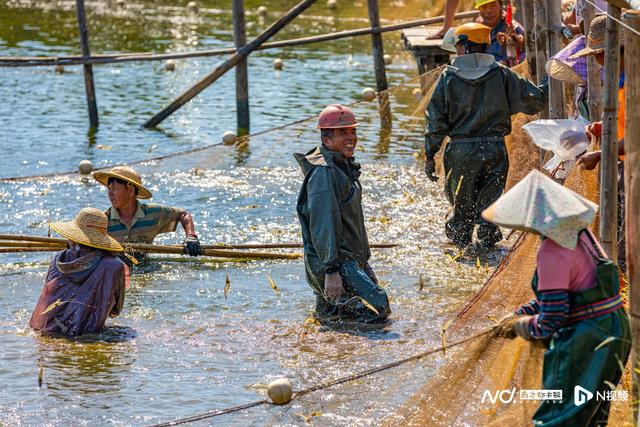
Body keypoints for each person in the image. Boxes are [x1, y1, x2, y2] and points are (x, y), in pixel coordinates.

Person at [489, 170, 630, 426]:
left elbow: (552, 319)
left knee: (559, 420)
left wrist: (519, 327)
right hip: (616, 330)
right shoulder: (582, 234)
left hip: (588, 342)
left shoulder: (552, 250)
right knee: (593, 420)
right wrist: (520, 313)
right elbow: (569, 295)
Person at [426, 22, 546, 249]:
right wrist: (549, 79)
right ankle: (490, 254)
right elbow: (535, 100)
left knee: (461, 210)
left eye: (459, 45)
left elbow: (435, 121)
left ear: (466, 47)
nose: (457, 50)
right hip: (495, 151)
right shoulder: (502, 74)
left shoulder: (448, 78)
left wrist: (429, 155)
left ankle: (461, 258)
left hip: (460, 152)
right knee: (490, 210)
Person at [294, 104, 391, 324]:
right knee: (379, 308)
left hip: (346, 261)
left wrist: (364, 264)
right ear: (326, 140)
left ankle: (330, 347)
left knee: (330, 316)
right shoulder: (324, 174)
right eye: (342, 132)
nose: (351, 137)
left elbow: (353, 222)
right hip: (335, 263)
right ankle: (343, 351)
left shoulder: (342, 167)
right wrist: (330, 271)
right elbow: (323, 225)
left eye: (353, 131)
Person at [571, 14, 626, 269]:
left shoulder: (634, 81)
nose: (596, 59)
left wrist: (602, 154)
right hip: (628, 165)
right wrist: (601, 128)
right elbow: (627, 124)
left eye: (599, 53)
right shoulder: (620, 82)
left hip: (632, 163)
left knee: (628, 242)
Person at [29, 208, 128, 337]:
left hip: (47, 333)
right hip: (87, 337)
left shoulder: (58, 260)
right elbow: (115, 312)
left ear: (74, 237)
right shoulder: (114, 266)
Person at [93, 166, 202, 260]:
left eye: (115, 189)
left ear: (130, 191)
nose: (110, 194)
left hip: (145, 266)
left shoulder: (153, 214)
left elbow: (183, 214)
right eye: (109, 189)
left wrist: (191, 236)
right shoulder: (103, 221)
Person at [475, 0, 525, 66]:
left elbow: (526, 55)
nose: (488, 10)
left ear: (500, 5)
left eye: (493, 5)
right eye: (484, 6)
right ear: (479, 9)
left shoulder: (513, 29)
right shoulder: (476, 29)